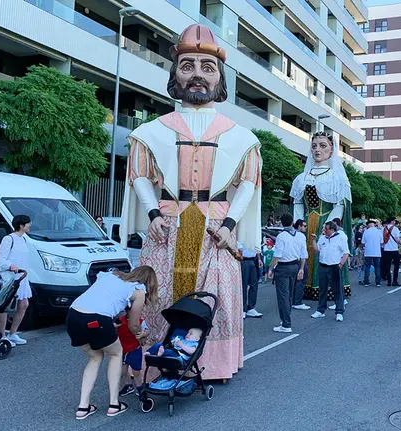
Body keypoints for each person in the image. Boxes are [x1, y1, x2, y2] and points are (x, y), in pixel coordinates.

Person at [119, 24, 261, 381]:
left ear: (220, 79)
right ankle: (158, 362)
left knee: (214, 297)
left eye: (207, 67)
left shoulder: (242, 137)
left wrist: (230, 227)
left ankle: (212, 365)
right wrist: (152, 214)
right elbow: (139, 175)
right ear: (175, 74)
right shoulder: (151, 131)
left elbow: (248, 183)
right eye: (188, 66)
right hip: (167, 225)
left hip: (215, 230)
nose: (197, 74)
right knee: (160, 296)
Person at [67, 266, 158, 419]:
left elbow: (99, 298)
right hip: (98, 319)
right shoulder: (139, 290)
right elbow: (134, 325)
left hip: (73, 316)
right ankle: (114, 404)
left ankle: (83, 407)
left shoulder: (111, 275)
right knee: (116, 354)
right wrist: (141, 337)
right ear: (150, 283)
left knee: (95, 357)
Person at [290, 131, 353, 302]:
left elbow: (340, 204)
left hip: (326, 222)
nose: (318, 150)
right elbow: (297, 203)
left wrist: (328, 227)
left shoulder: (336, 177)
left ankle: (331, 292)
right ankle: (304, 289)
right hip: (306, 223)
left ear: (332, 150)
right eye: (314, 146)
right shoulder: (301, 178)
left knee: (326, 257)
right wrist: (298, 225)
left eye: (323, 146)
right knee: (305, 254)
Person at [0, 214, 33, 347]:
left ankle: (12, 333)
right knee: (5, 306)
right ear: (21, 225)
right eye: (28, 223)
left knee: (23, 305)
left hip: (22, 278)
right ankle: (2, 336)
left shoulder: (23, 240)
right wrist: (11, 265)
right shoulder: (8, 239)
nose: (30, 225)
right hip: (10, 278)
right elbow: (1, 260)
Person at [267, 214, 307, 333]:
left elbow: (277, 255)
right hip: (295, 265)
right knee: (289, 295)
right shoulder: (300, 236)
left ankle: (286, 324)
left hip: (284, 267)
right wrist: (301, 269)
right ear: (292, 222)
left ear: (282, 223)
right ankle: (286, 320)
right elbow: (303, 254)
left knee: (283, 296)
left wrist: (270, 268)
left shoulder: (281, 236)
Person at [310, 221, 350, 322]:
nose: (324, 230)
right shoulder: (322, 238)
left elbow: (346, 253)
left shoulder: (340, 237)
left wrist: (340, 264)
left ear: (332, 230)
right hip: (323, 266)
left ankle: (339, 311)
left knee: (337, 290)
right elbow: (316, 250)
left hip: (334, 267)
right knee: (322, 289)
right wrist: (313, 240)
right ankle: (320, 310)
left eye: (326, 229)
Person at [115, 312, 149, 397]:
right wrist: (114, 326)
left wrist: (143, 334)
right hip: (122, 349)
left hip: (134, 350)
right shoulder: (120, 320)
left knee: (136, 372)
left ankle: (140, 388)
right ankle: (128, 385)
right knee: (122, 371)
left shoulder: (140, 321)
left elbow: (147, 330)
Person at [238, 240, 263, 319]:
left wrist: (259, 259)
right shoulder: (241, 234)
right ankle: (242, 309)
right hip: (243, 260)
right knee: (243, 285)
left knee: (254, 285)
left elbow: (257, 247)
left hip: (253, 260)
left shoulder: (253, 234)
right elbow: (239, 248)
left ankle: (251, 308)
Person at [291, 219, 311, 310]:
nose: (305, 228)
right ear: (299, 226)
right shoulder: (301, 236)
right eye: (304, 226)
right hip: (300, 260)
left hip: (292, 261)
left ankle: (292, 300)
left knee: (294, 282)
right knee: (301, 280)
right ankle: (297, 302)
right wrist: (303, 266)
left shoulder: (289, 234)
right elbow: (303, 251)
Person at [361, 220, 383, 287]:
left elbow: (363, 243)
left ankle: (366, 281)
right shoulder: (379, 232)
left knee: (367, 267)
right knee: (377, 267)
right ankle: (378, 282)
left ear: (368, 225)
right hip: (377, 252)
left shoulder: (366, 232)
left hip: (368, 252)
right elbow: (381, 242)